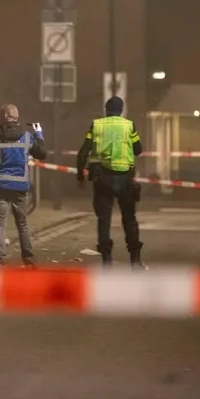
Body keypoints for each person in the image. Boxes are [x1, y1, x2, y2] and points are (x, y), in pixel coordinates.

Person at [75, 96, 145, 269]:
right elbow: (138, 150)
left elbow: (83, 151)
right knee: (129, 219)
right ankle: (135, 260)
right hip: (125, 180)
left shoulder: (96, 125)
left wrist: (80, 174)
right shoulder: (129, 125)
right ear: (122, 110)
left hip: (102, 179)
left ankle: (107, 261)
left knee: (103, 220)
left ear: (106, 109)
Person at [0, 104, 47, 268]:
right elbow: (42, 154)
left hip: (0, 186)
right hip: (20, 188)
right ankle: (28, 259)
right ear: (16, 117)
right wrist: (39, 134)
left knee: (0, 225)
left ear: (3, 117)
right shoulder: (27, 137)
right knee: (22, 224)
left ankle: (0, 260)